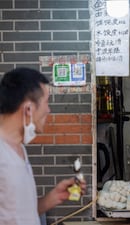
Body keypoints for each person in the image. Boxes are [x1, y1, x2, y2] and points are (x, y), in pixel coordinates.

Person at [0, 67, 86, 225]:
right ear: (28, 109)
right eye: (46, 102)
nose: (48, 110)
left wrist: (53, 197)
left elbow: (18, 214)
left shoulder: (19, 149)